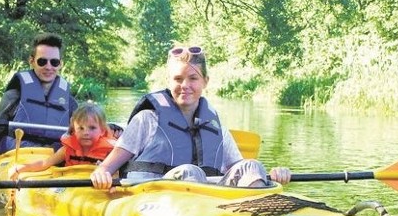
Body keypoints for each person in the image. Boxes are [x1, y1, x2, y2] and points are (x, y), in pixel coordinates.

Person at [90, 45, 291, 191]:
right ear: (169, 82)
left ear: (205, 81)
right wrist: (101, 173)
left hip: (208, 204)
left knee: (252, 165)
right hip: (153, 202)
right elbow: (108, 167)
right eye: (178, 79)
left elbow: (240, 172)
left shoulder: (216, 128)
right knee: (189, 172)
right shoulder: (147, 120)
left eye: (193, 78)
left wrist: (271, 176)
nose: (185, 85)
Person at [0, 32, 78, 154]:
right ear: (32, 61)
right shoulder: (13, 96)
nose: (48, 67)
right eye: (42, 61)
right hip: (17, 158)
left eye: (54, 62)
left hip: (54, 161)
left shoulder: (70, 103)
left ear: (60, 64)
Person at [9, 102, 116, 179]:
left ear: (102, 131)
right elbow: (45, 163)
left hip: (95, 189)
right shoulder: (66, 150)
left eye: (92, 128)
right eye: (81, 128)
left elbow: (118, 174)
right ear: (74, 130)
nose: (86, 133)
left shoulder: (111, 153)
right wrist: (22, 168)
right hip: (70, 185)